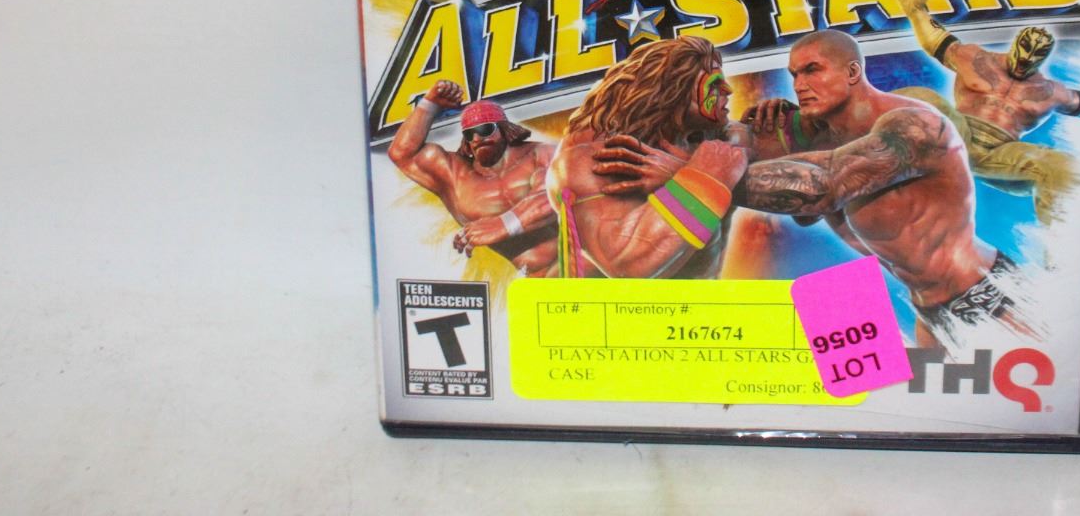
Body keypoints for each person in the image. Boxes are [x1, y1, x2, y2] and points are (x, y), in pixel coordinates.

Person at [599, 31, 1042, 356]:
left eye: (812, 70)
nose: (800, 84)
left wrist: (697, 177)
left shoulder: (914, 126)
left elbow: (824, 189)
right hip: (929, 311)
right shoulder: (821, 137)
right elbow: (800, 205)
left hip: (990, 295)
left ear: (852, 72)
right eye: (794, 75)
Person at [892, 0, 1080, 226]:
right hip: (958, 134)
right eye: (1021, 58)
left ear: (1042, 60)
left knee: (1061, 167)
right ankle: (850, 151)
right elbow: (935, 40)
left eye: (1031, 63)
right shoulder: (976, 58)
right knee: (919, 96)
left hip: (1001, 155)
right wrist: (915, 11)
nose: (1023, 65)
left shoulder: (1052, 91)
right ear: (1014, 47)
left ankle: (1058, 241)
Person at [544, 37, 747, 279]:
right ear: (672, 89)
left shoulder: (709, 137)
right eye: (713, 84)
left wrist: (786, 124)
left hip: (706, 300)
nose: (728, 90)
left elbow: (788, 185)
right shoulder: (590, 156)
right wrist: (704, 178)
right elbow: (625, 264)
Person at [386, 80, 559, 277]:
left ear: (505, 129)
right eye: (470, 134)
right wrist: (429, 104)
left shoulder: (540, 153)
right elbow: (401, 153)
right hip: (538, 281)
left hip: (578, 266)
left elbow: (553, 196)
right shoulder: (455, 174)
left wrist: (504, 224)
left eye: (485, 130)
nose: (477, 138)